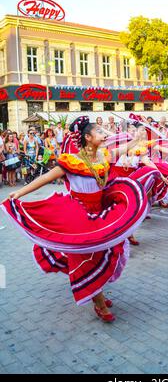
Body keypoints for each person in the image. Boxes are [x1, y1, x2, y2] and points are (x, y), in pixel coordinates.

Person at [1, 116, 148, 321]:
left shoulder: (103, 156)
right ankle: (99, 303)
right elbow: (45, 178)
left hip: (101, 214)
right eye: (100, 132)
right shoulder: (73, 161)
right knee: (88, 259)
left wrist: (137, 139)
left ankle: (98, 292)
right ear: (87, 137)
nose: (105, 135)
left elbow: (121, 150)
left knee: (109, 251)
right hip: (79, 217)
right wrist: (19, 193)